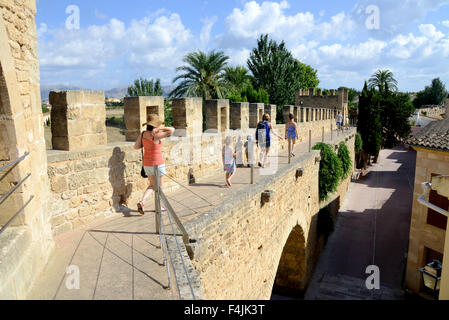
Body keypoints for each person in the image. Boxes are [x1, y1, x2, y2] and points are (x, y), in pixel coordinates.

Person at [134, 115, 175, 215]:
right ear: (155, 126)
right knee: (160, 186)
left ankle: (142, 202)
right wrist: (160, 128)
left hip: (147, 164)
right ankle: (159, 206)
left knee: (152, 185)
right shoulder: (156, 135)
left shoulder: (143, 134)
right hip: (158, 164)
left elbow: (136, 146)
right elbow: (172, 130)